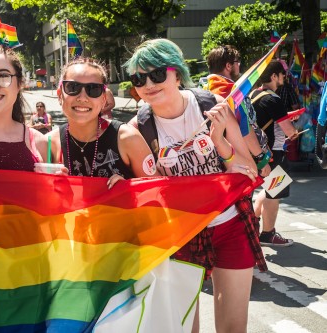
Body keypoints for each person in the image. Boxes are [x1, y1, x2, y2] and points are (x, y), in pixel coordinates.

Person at [124, 38, 266, 333]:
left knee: (233, 328)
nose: (148, 84)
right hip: (180, 234)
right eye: (139, 78)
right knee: (186, 328)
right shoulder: (138, 128)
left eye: (157, 74)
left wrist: (220, 142)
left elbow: (249, 171)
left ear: (176, 72)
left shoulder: (212, 105)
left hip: (230, 224)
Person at [47, 57, 158, 188]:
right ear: (60, 95)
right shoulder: (49, 144)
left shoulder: (127, 138)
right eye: (72, 87)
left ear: (104, 99)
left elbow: (157, 190)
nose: (82, 98)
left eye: (93, 89)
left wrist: (130, 189)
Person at [251, 60, 299, 247]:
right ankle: (268, 234)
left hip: (256, 152)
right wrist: (294, 130)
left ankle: (254, 222)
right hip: (273, 153)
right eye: (282, 75)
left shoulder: (254, 94)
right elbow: (289, 131)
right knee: (275, 191)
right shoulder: (273, 98)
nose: (283, 78)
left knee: (267, 188)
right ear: (273, 76)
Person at [206, 45, 272, 177]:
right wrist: (261, 157)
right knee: (277, 189)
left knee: (273, 191)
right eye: (237, 62)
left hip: (222, 160)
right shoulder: (231, 93)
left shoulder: (205, 89)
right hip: (245, 158)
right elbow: (245, 129)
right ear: (228, 66)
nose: (239, 65)